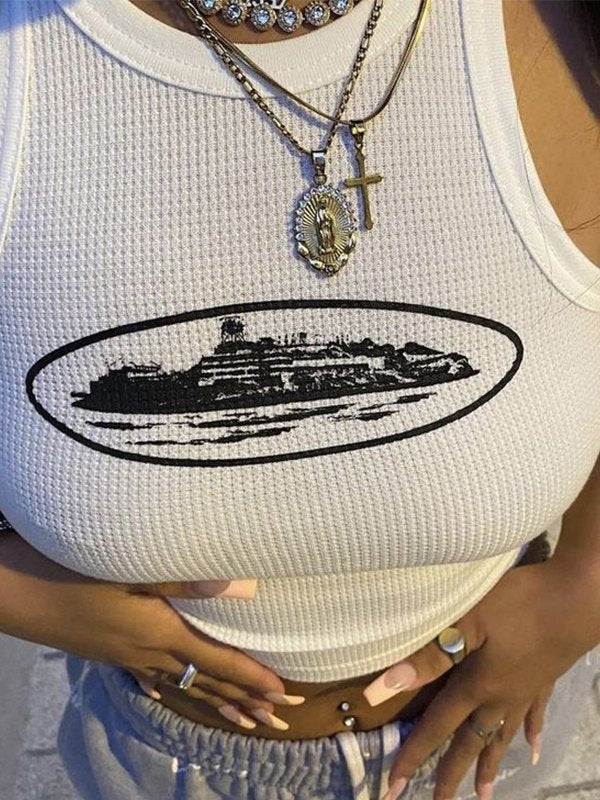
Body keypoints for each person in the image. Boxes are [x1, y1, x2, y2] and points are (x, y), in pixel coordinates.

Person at [0, 0, 599, 798]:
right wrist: (16, 595)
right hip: (159, 751)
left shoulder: (561, 34)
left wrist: (588, 583)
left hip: (476, 728)